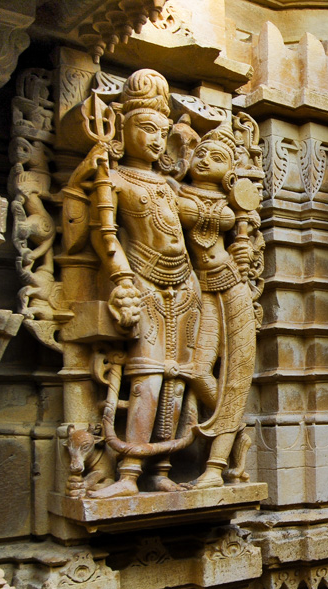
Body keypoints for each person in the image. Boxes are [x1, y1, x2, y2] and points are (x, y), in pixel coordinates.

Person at [72, 69, 202, 498]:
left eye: (161, 132)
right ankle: (129, 473)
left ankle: (161, 468)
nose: (155, 139)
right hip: (142, 283)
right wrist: (123, 279)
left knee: (178, 377)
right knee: (147, 377)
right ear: (122, 127)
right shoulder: (115, 178)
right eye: (145, 128)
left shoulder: (167, 184)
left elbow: (197, 224)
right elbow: (103, 234)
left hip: (184, 286)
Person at [176, 123, 260, 487]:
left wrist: (245, 249)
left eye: (218, 157)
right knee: (196, 369)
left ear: (230, 174)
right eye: (201, 153)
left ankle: (215, 468)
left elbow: (244, 240)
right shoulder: (173, 189)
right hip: (200, 288)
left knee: (238, 373)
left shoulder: (232, 204)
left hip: (233, 286)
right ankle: (237, 428)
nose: (205, 158)